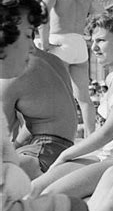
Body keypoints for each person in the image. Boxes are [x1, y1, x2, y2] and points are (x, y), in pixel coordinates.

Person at [30, 13, 113, 199]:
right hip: (105, 154)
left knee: (51, 194)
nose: (94, 47)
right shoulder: (112, 77)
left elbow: (108, 132)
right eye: (92, 41)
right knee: (35, 187)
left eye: (101, 41)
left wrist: (67, 153)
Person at [0, 0, 88, 211]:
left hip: (44, 149)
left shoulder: (11, 78)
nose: (31, 44)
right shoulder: (54, 61)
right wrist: (65, 209)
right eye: (27, 35)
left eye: (31, 35)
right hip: (59, 145)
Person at [37, 0, 96, 136]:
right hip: (79, 44)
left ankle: (57, 134)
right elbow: (103, 14)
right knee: (84, 98)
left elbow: (43, 18)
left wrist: (45, 43)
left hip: (59, 42)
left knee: (54, 93)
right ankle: (90, 137)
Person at [2, 45, 78, 179]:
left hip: (41, 153)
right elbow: (44, 118)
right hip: (59, 148)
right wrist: (16, 147)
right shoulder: (54, 61)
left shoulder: (15, 69)